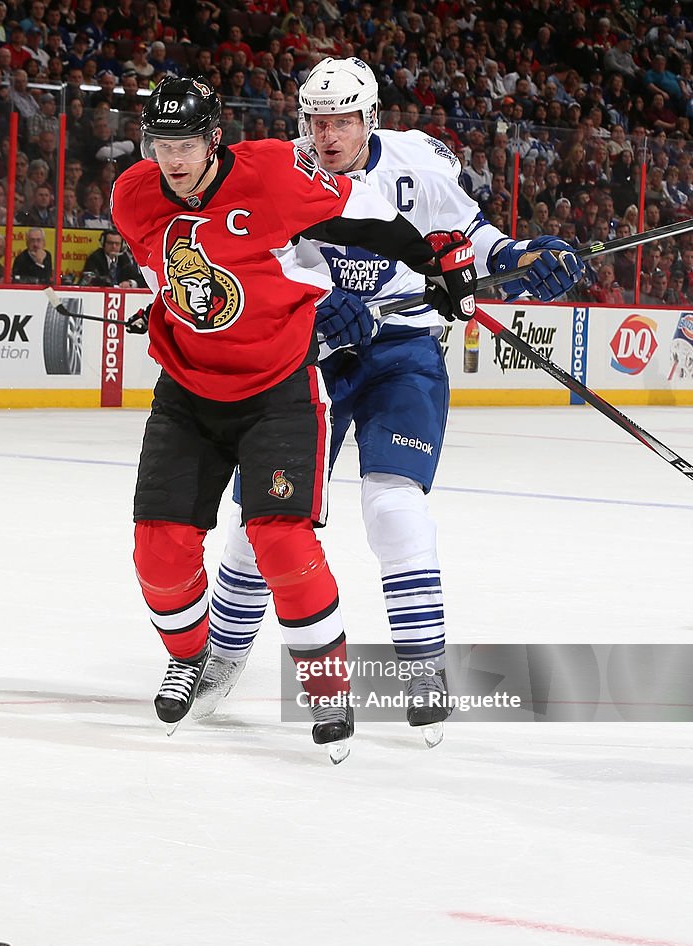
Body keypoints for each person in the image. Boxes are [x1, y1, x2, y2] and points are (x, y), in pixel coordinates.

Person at [201, 57, 586, 744]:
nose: (328, 135)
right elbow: (245, 264)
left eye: (342, 121)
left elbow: (469, 240)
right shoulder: (271, 173)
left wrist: (525, 256)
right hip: (309, 357)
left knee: (393, 502)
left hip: (403, 350)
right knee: (263, 516)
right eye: (317, 122)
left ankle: (421, 668)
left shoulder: (419, 161)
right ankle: (220, 656)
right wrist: (312, 304)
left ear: (369, 117)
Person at [111, 76, 474, 762]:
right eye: (163, 145)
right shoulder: (134, 193)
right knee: (180, 546)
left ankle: (393, 672)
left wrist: (437, 259)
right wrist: (167, 306)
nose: (175, 159)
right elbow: (169, 268)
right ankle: (204, 657)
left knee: (358, 516)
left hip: (322, 370)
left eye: (187, 143)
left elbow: (363, 218)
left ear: (214, 139)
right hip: (205, 383)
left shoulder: (301, 170)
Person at [79, 228, 143, 287]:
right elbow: (89, 278)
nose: (114, 246)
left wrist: (131, 283)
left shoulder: (124, 259)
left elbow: (141, 279)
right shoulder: (95, 257)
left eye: (117, 244)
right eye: (110, 243)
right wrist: (108, 283)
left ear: (122, 246)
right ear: (103, 244)